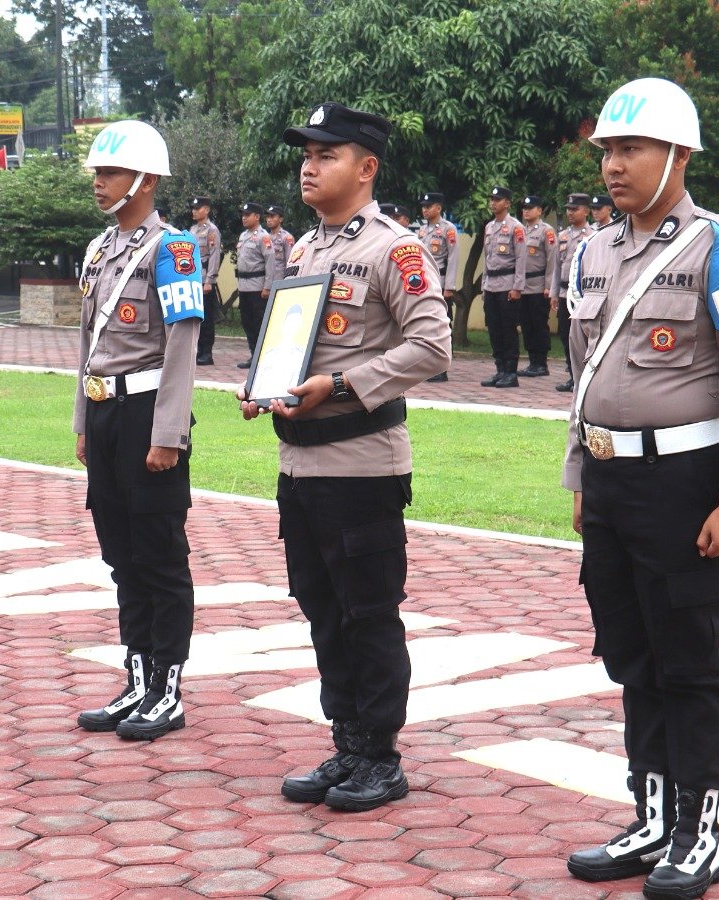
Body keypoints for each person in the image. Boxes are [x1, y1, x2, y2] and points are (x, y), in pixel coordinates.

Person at [561, 77, 719, 900]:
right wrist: (580, 469)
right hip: (610, 479)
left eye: (633, 149)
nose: (615, 165)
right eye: (610, 151)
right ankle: (652, 816)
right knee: (631, 654)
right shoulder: (590, 250)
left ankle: (702, 832)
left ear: (678, 155)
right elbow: (583, 375)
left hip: (686, 483)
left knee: (688, 659)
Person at [238, 101, 451, 812]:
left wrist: (343, 384)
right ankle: (348, 741)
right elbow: (291, 345)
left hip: (361, 464)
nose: (308, 164)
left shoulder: (395, 249)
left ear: (365, 168)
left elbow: (431, 345)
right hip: (300, 464)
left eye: (326, 154)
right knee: (321, 610)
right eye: (305, 152)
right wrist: (263, 388)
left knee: (368, 613)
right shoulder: (305, 250)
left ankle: (381, 757)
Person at [72, 120, 205, 741]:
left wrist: (168, 433)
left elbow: (182, 345)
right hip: (105, 414)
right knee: (121, 555)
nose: (100, 184)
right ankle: (137, 680)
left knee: (158, 556)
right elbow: (86, 345)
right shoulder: (101, 248)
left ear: (146, 180)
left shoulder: (173, 249)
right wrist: (81, 420)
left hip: (148, 416)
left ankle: (168, 689)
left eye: (112, 173)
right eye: (98, 173)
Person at [480, 186, 525, 387]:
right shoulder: (489, 227)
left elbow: (521, 258)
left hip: (507, 285)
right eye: (492, 199)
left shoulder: (516, 227)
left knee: (508, 329)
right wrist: (483, 286)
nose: (493, 203)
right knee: (494, 329)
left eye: (498, 200)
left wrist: (517, 287)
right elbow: (487, 259)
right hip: (491, 284)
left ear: (507, 203)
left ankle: (511, 372)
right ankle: (499, 369)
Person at [552, 192, 593, 392]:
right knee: (564, 334)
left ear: (586, 211)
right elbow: (556, 268)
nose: (570, 213)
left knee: (582, 336)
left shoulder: (593, 235)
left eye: (575, 209)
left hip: (582, 294)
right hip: (563, 292)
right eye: (568, 209)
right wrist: (553, 294)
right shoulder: (563, 236)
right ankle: (571, 374)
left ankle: (583, 375)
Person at [419, 192, 459, 382]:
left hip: (440, 282)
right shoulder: (422, 230)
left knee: (442, 325)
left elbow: (453, 258)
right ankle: (430, 366)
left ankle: (442, 368)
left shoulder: (448, 229)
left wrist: (449, 286)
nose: (425, 209)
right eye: (424, 206)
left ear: (439, 208)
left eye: (429, 206)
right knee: (426, 324)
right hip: (424, 283)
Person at [516, 194, 558, 377]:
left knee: (539, 324)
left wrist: (549, 285)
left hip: (539, 285)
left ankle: (541, 363)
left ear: (539, 211)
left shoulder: (546, 231)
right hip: (523, 285)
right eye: (524, 208)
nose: (526, 211)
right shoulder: (520, 231)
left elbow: (552, 260)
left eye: (530, 208)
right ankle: (532, 361)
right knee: (526, 324)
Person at [236, 202, 273, 368]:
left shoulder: (263, 237)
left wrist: (267, 286)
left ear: (257, 217)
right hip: (244, 286)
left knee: (259, 323)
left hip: (258, 287)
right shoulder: (243, 236)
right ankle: (253, 355)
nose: (244, 217)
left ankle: (261, 357)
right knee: (247, 322)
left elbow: (270, 262)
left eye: (247, 214)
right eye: (243, 214)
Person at [191, 197, 224, 365]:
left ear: (207, 210)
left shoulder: (212, 230)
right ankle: (197, 351)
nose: (194, 211)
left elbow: (214, 256)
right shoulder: (192, 230)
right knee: (195, 318)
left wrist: (210, 280)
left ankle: (207, 353)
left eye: (198, 208)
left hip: (205, 279)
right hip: (193, 279)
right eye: (193, 208)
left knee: (206, 319)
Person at [267, 204, 297, 280]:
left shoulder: (286, 237)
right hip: (266, 280)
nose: (269, 219)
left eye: (272, 216)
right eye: (268, 217)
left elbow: (290, 262)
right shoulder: (266, 238)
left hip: (280, 279)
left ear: (280, 219)